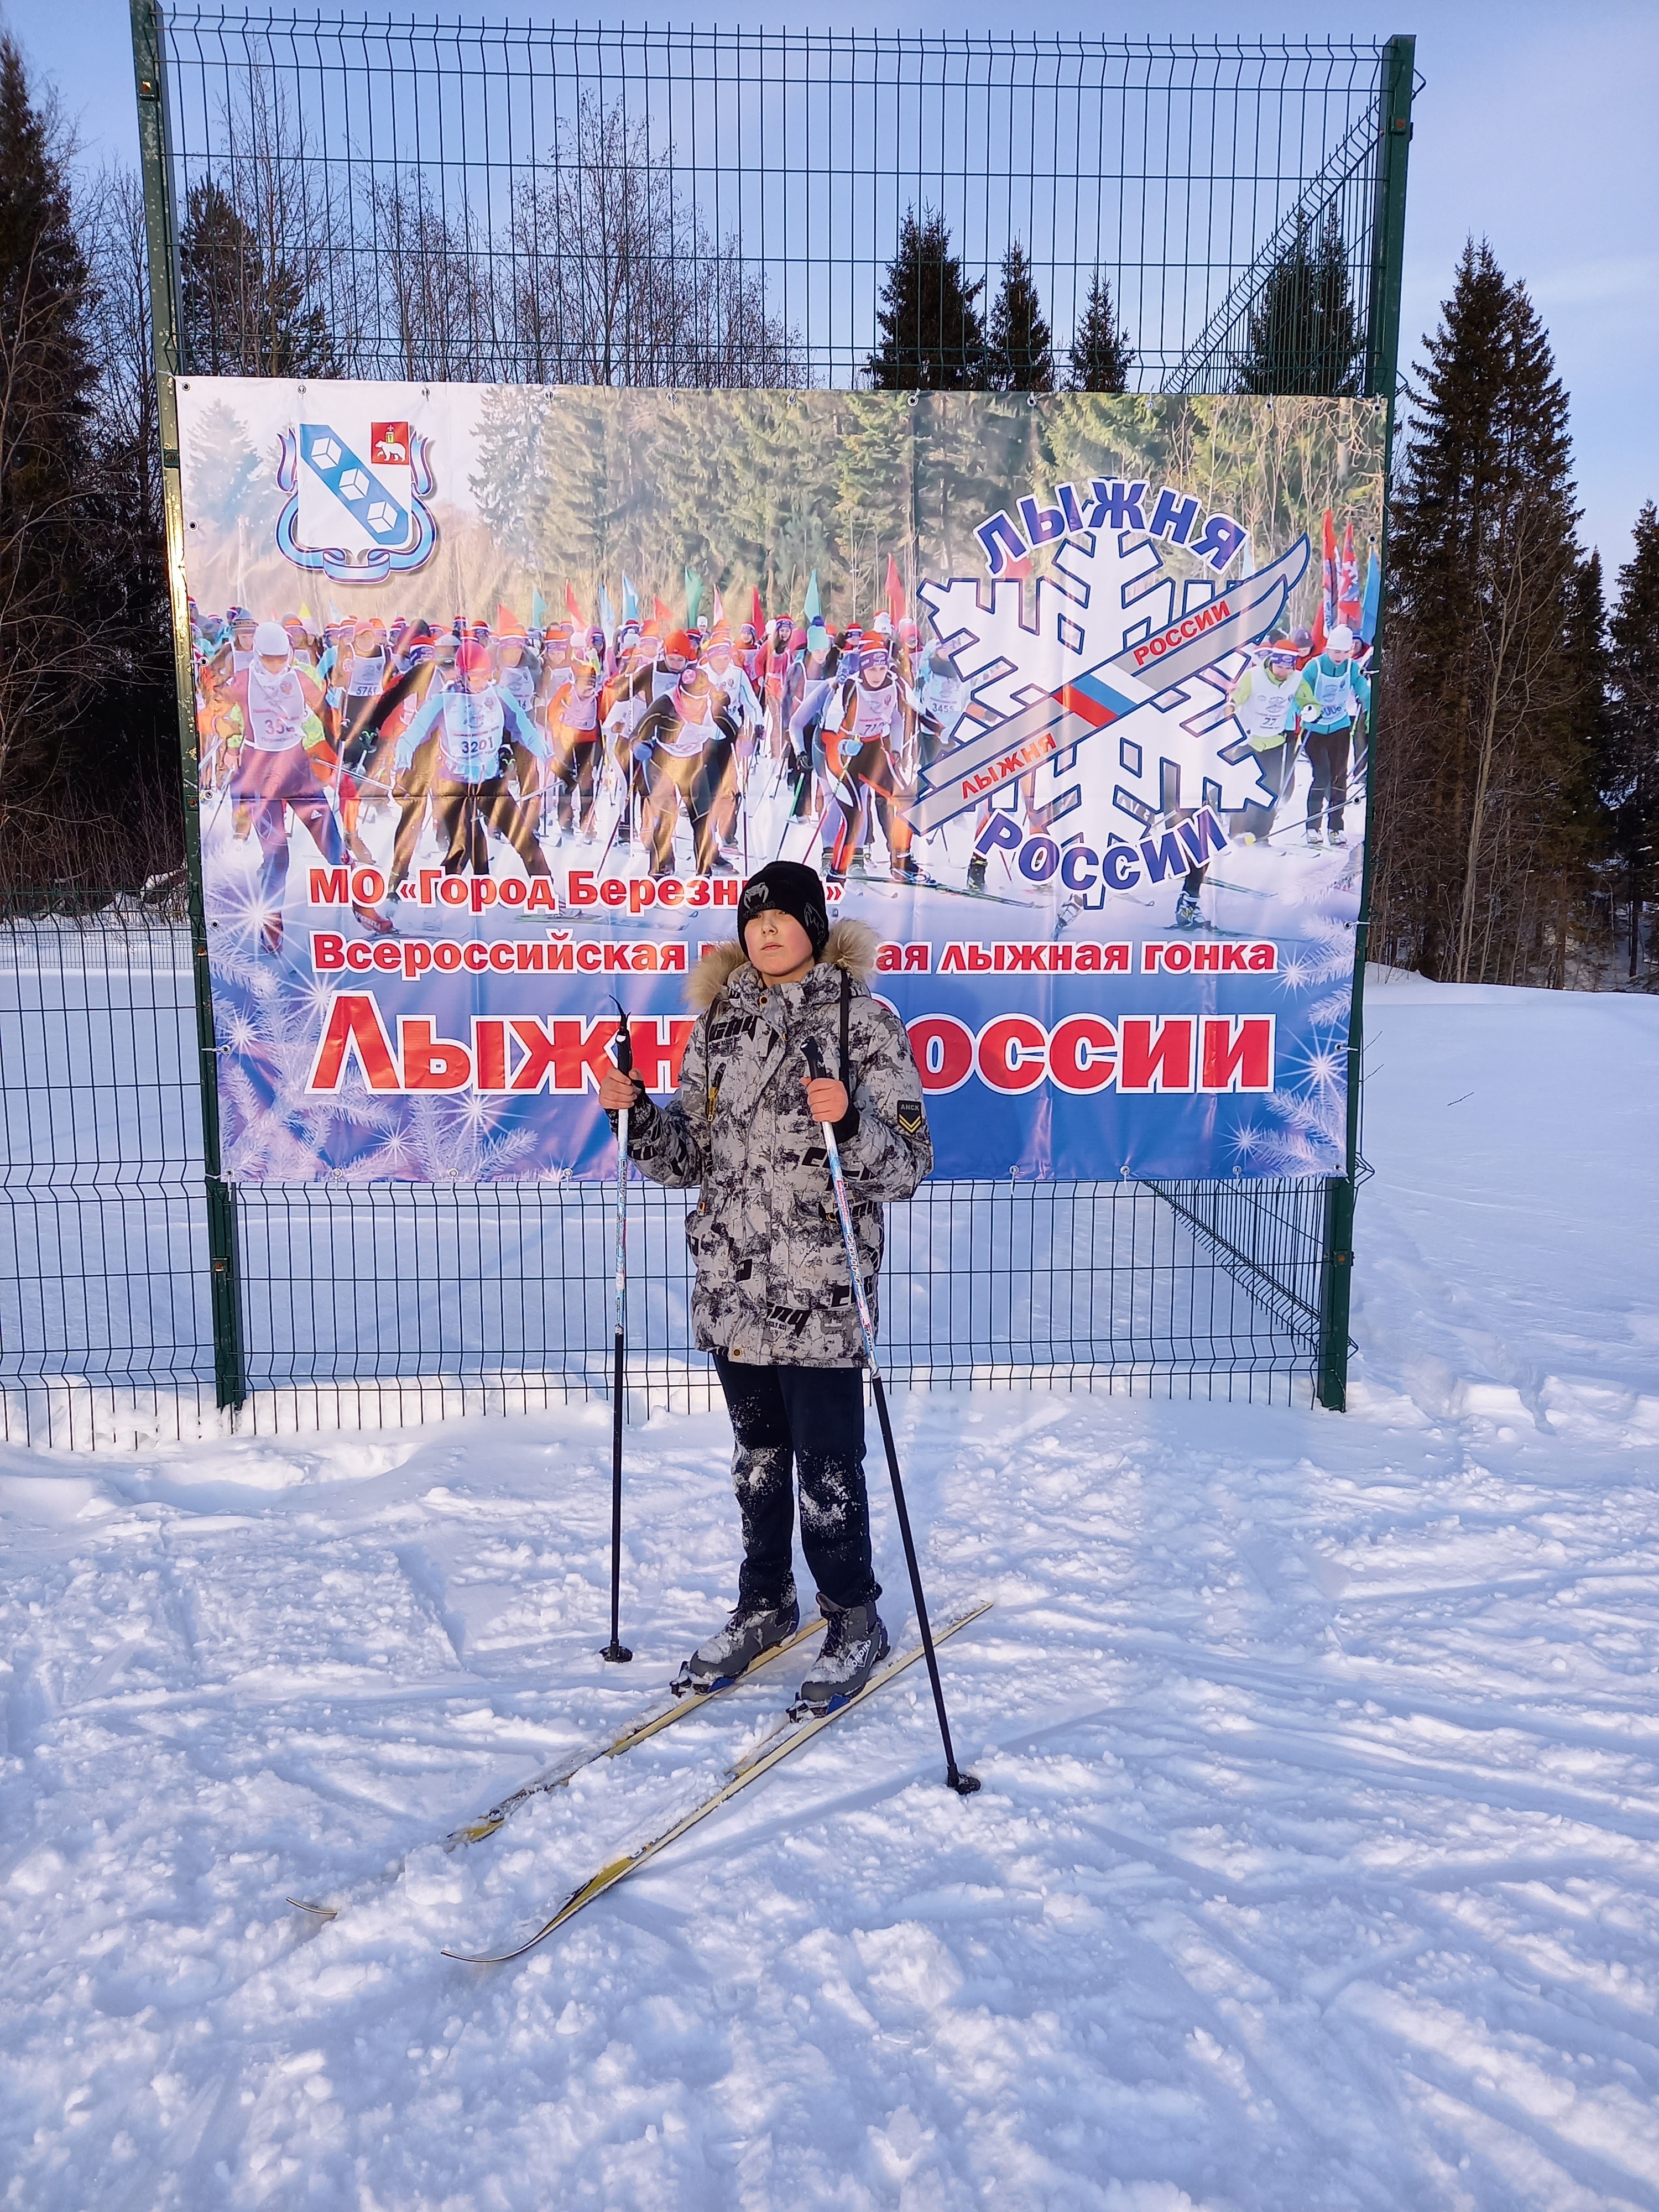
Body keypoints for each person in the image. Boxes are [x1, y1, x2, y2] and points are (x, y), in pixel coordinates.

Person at [597, 859, 933, 1711]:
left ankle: (853, 1615)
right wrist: (635, 1115)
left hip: (821, 1288)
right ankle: (766, 1604)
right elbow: (688, 1160)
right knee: (758, 1464)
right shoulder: (719, 1023)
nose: (768, 930)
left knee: (828, 1464)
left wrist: (849, 1121)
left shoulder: (864, 1019)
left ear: (814, 927)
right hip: (732, 1287)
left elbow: (907, 1166)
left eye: (785, 916)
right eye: (755, 919)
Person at [1299, 623, 1370, 847]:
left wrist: (1371, 711)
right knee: (1321, 776)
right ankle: (1313, 826)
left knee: (1339, 778)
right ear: (1328, 649)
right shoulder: (1314, 667)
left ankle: (1336, 827)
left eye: (1344, 652)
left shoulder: (1351, 668)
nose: (1340, 657)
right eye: (1336, 652)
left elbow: (1364, 689)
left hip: (1339, 728)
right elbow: (1300, 692)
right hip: (1315, 730)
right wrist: (1308, 707)